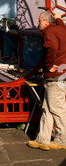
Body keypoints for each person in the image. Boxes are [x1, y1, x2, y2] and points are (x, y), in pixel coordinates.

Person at [27, 12, 66, 151]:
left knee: (57, 109)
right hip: (61, 74)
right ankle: (43, 139)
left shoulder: (49, 32)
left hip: (54, 76)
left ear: (46, 22)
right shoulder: (61, 28)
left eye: (40, 20)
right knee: (48, 109)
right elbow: (62, 28)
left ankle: (63, 139)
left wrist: (51, 65)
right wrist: (58, 19)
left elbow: (52, 48)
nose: (38, 23)